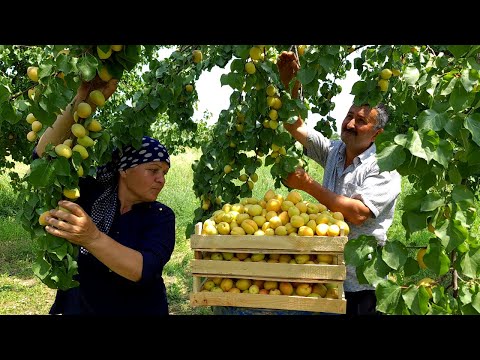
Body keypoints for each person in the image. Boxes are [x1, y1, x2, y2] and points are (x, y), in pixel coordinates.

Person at [34, 76, 176, 315]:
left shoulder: (161, 217)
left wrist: (91, 238)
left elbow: (141, 269)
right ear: (124, 170)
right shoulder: (88, 194)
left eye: (164, 172)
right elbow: (43, 157)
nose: (161, 179)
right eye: (153, 170)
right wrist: (82, 100)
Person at [277, 51, 402, 315]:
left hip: (361, 281)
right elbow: (295, 126)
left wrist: (308, 185)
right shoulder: (335, 150)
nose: (350, 123)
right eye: (349, 115)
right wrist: (291, 85)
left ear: (377, 133)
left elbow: (357, 213)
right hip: (327, 273)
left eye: (361, 120)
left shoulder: (384, 167)